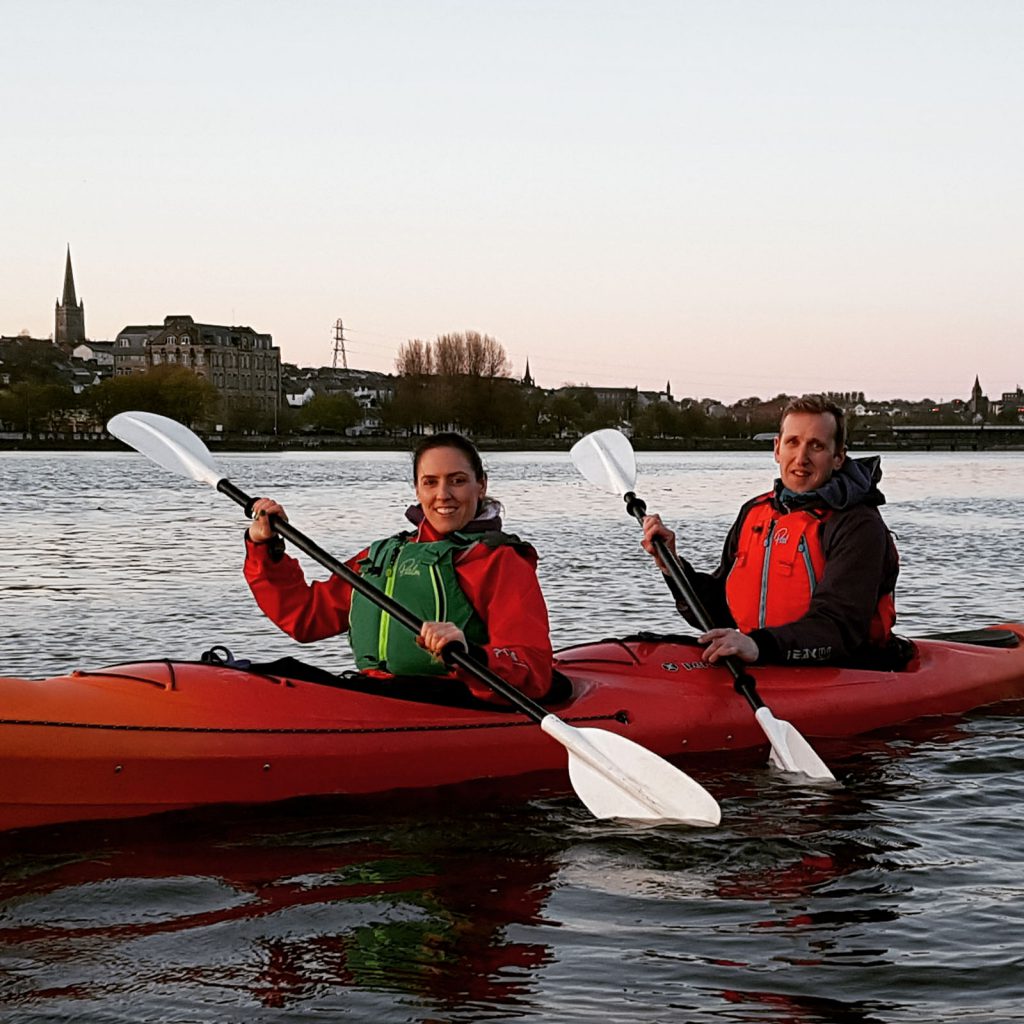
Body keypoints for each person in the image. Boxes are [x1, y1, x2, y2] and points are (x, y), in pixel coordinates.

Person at [244, 432, 553, 703]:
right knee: (273, 672)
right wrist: (264, 547)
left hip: (453, 700)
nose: (443, 495)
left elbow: (533, 669)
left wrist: (470, 653)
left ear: (481, 485)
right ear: (417, 490)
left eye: (457, 481)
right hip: (377, 693)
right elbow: (305, 617)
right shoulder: (386, 554)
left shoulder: (499, 561)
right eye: (430, 482)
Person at [642, 395, 902, 667]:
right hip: (767, 660)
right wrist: (672, 566)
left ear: (838, 457)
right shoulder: (754, 512)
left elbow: (839, 627)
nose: (801, 458)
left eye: (816, 446)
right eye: (793, 442)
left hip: (847, 670)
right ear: (777, 449)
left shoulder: (858, 526)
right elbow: (719, 611)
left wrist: (758, 646)